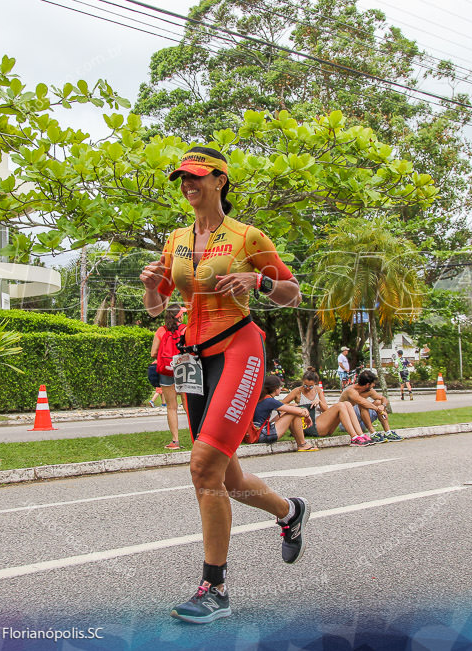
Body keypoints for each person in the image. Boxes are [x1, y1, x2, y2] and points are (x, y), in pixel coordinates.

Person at [140, 146, 307, 624]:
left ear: (220, 181)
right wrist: (152, 283)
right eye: (182, 179)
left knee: (202, 468)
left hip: (238, 348)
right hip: (194, 358)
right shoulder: (175, 239)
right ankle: (290, 511)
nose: (188, 185)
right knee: (226, 478)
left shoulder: (247, 235)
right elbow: (157, 308)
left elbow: (292, 293)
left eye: (197, 177)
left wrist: (258, 280)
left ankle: (214, 587)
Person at [283, 367, 372, 445]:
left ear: (315, 384)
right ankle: (353, 437)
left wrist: (319, 402)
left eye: (310, 386)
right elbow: (282, 404)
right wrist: (293, 405)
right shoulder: (297, 391)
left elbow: (325, 409)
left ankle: (360, 435)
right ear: (302, 382)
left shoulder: (318, 390)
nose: (307, 388)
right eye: (305, 385)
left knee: (347, 404)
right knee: (340, 405)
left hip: (322, 423)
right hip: (309, 425)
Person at [151, 304, 187, 450]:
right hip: (184, 369)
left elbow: (153, 353)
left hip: (166, 369)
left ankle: (175, 442)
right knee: (187, 403)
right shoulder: (185, 329)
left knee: (171, 407)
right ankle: (197, 436)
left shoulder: (161, 330)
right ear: (179, 316)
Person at [253, 375, 318, 451]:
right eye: (280, 387)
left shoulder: (264, 398)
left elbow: (287, 409)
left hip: (258, 432)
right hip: (263, 435)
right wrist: (306, 413)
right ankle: (302, 444)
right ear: (275, 388)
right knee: (294, 413)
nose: (281, 389)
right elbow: (298, 411)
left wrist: (298, 408)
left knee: (292, 409)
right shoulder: (270, 401)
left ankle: (301, 443)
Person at [338, 370, 401, 441]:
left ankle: (388, 432)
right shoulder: (350, 390)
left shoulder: (369, 390)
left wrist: (382, 406)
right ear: (368, 384)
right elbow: (362, 402)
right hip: (347, 424)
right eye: (373, 383)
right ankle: (373, 433)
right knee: (363, 404)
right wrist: (378, 410)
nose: (374, 385)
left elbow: (383, 399)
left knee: (378, 402)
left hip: (361, 424)